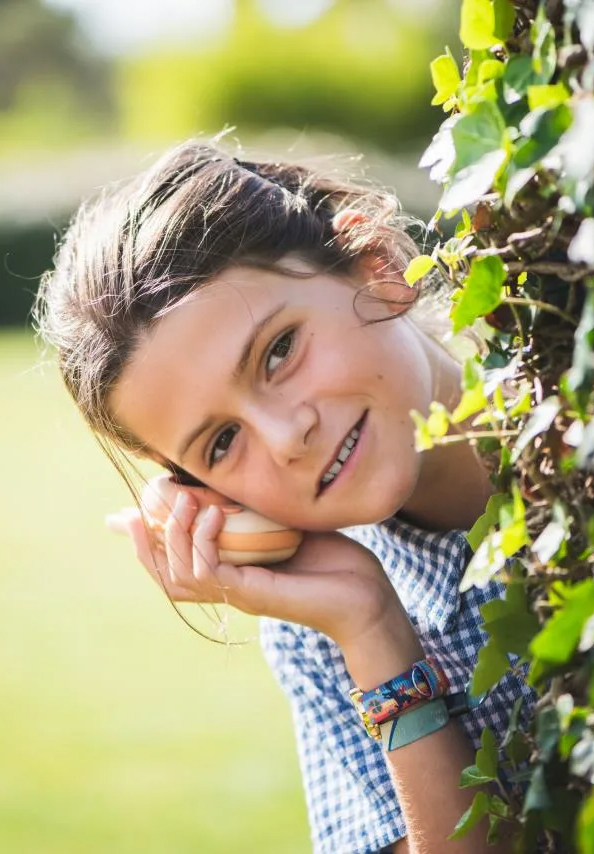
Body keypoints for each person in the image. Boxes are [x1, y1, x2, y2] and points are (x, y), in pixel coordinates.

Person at [36, 140, 535, 854]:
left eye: (278, 351)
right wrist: (372, 630)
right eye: (221, 443)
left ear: (376, 264)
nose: (286, 435)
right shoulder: (319, 628)